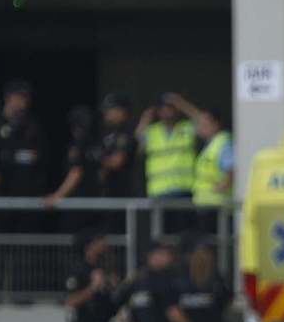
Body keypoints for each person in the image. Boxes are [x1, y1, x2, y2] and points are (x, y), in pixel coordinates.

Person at [0, 81, 46, 289]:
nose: (24, 102)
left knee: (25, 248)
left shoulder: (31, 126)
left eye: (26, 98)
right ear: (8, 98)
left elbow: (40, 158)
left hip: (26, 197)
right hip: (0, 197)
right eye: (20, 97)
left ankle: (22, 294)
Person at [138, 93, 199, 232]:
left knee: (186, 235)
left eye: (171, 107)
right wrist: (145, 118)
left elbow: (204, 122)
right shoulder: (152, 131)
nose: (167, 111)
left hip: (184, 191)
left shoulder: (187, 128)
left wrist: (182, 103)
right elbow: (138, 145)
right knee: (163, 238)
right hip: (160, 193)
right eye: (163, 108)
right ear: (158, 111)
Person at [45, 106, 101, 233]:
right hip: (95, 202)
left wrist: (58, 196)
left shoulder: (79, 145)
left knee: (75, 243)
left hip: (79, 204)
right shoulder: (97, 143)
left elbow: (76, 173)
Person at [97, 94, 138, 231]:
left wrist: (98, 163)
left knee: (120, 234)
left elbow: (117, 161)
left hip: (121, 192)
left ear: (122, 111)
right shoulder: (107, 132)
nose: (107, 112)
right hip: (106, 192)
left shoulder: (126, 131)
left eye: (111, 109)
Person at [191, 106, 233, 233]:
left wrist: (224, 185)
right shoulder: (211, 144)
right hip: (207, 206)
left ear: (216, 123)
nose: (200, 126)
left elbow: (232, 168)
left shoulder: (223, 143)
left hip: (218, 206)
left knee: (215, 247)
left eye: (205, 123)